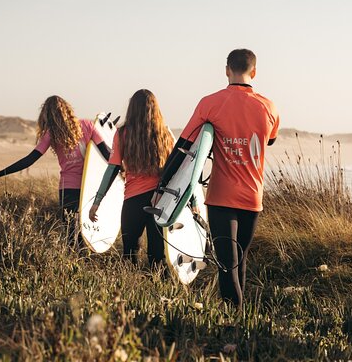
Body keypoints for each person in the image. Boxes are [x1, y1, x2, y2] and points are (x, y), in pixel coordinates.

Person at [161, 48, 279, 308]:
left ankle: (234, 326)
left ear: (226, 70)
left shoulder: (210, 103)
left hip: (222, 197)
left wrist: (163, 184)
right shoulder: (268, 107)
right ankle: (242, 322)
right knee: (239, 260)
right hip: (252, 197)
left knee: (227, 266)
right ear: (255, 72)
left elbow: (183, 147)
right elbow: (270, 139)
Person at [0, 95, 110, 247]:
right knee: (88, 233)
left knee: (71, 234)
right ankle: (87, 264)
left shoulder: (51, 134)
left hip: (68, 188)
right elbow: (108, 155)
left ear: (47, 115)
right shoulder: (88, 126)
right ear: (68, 110)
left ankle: (74, 265)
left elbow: (30, 159)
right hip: (90, 186)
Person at [89, 89, 173, 269]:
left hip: (133, 200)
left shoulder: (123, 133)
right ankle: (159, 294)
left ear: (132, 108)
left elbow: (112, 169)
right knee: (158, 255)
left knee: (129, 252)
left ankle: (129, 290)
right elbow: (175, 170)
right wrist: (193, 202)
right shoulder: (165, 134)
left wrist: (97, 201)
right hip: (159, 201)